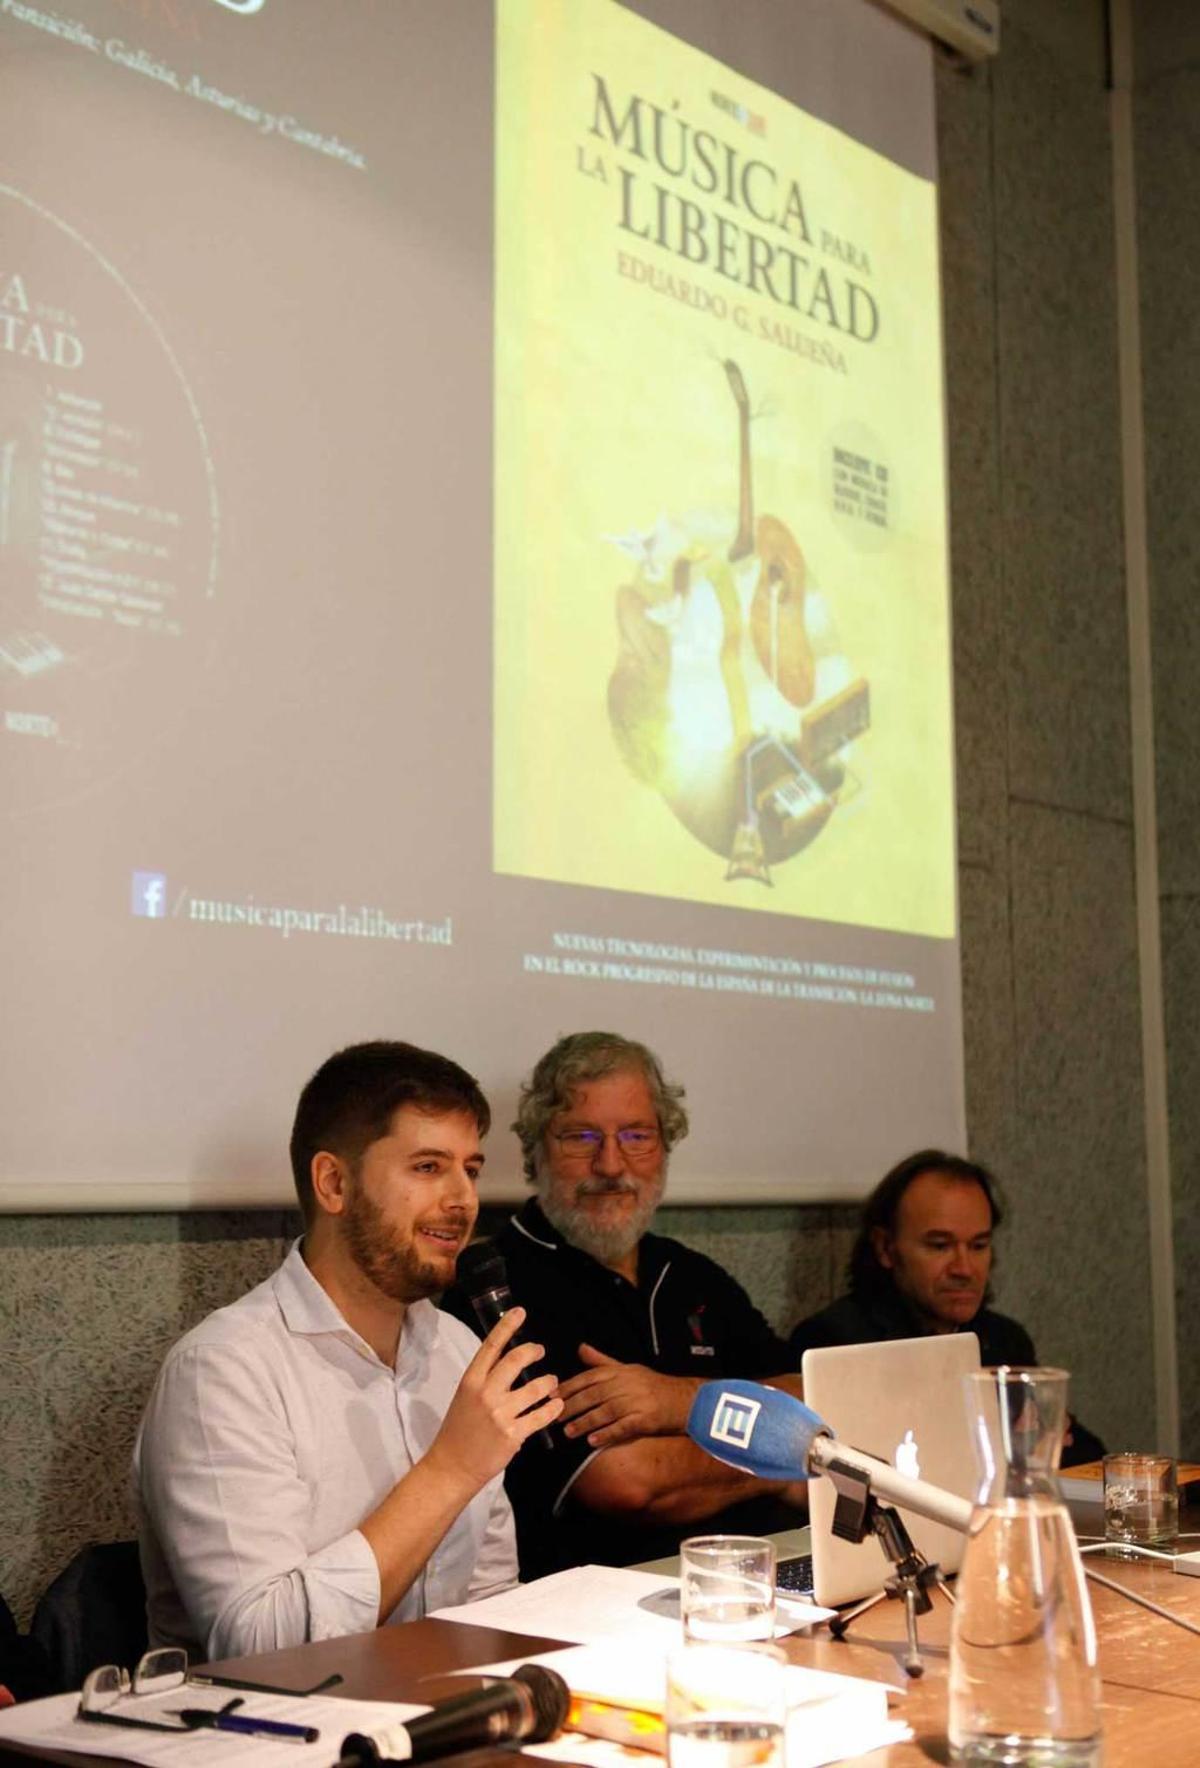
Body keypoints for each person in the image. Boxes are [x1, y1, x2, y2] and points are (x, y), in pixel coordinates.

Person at [134, 1041, 561, 1661]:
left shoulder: (456, 1348)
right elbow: (259, 1647)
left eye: (470, 1169)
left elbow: (491, 1597)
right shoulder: (222, 1371)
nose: (463, 1199)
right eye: (428, 1167)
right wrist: (450, 1469)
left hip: (448, 1705)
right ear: (333, 1183)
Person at [441, 1031, 806, 1579]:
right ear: (535, 1149)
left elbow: (811, 1398)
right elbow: (627, 1482)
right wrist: (777, 1464)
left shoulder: (691, 1274)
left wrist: (677, 1401)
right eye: (580, 1137)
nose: (611, 1165)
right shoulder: (498, 1286)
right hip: (598, 1601)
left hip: (756, 1579)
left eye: (636, 1135)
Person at [788, 1149, 1104, 1466]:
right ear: (886, 1248)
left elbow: (1086, 1455)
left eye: (978, 1245)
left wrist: (1046, 1438)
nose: (964, 1269)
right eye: (940, 1246)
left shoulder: (1004, 1339)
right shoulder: (834, 1341)